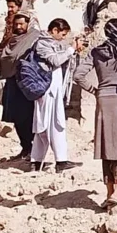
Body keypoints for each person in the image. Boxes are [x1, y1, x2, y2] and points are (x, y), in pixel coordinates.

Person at [74, 19, 117, 207]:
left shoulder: (97, 52)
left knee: (107, 146)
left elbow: (78, 75)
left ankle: (109, 192)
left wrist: (95, 90)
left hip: (103, 100)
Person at [29, 19, 81, 172]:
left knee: (46, 125)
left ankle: (37, 161)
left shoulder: (51, 43)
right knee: (52, 125)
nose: (63, 38)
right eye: (62, 34)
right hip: (47, 89)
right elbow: (56, 60)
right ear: (55, 30)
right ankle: (60, 161)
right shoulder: (42, 43)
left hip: (53, 89)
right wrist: (71, 49)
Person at [0, 13, 40, 160]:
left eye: (21, 24)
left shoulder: (35, 37)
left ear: (28, 24)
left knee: (29, 116)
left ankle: (34, 150)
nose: (18, 27)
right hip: (12, 81)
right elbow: (8, 56)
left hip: (28, 81)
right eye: (16, 24)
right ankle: (25, 147)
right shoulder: (12, 40)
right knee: (17, 117)